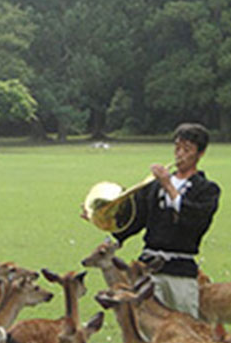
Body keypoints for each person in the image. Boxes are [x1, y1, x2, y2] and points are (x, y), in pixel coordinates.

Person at [86, 123, 220, 318]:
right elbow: (135, 219)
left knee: (185, 331)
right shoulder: (153, 186)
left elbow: (197, 220)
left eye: (187, 149)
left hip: (181, 272)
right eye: (177, 147)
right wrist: (104, 221)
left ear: (201, 153)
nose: (179, 154)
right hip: (148, 271)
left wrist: (169, 187)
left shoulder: (207, 190)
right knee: (148, 329)